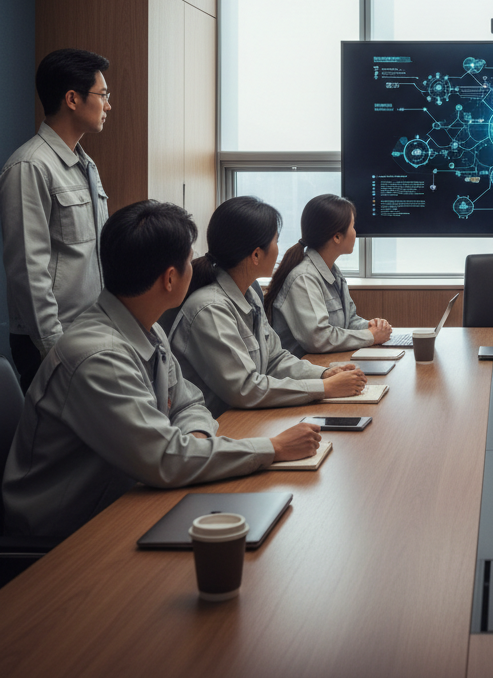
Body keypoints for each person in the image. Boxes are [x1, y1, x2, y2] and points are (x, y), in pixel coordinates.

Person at [2, 201, 323, 540]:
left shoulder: (146, 328)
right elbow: (165, 459)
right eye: (189, 260)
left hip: (127, 498)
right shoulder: (99, 357)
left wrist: (195, 440)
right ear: (170, 278)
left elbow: (188, 404)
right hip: (67, 535)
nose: (197, 266)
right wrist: (272, 448)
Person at [169, 196, 367, 417]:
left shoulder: (250, 294)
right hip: (221, 426)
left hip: (248, 415)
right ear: (256, 255)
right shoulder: (210, 309)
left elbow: (275, 359)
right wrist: (324, 388)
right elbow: (245, 388)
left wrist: (325, 374)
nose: (278, 249)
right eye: (275, 240)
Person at [0, 48, 112, 393]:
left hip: (92, 334)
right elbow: (27, 271)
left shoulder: (86, 165)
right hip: (53, 345)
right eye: (103, 95)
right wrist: (54, 349)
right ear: (72, 99)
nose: (108, 105)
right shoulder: (30, 167)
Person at [266, 194, 393, 355]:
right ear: (337, 237)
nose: (356, 232)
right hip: (303, 369)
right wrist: (370, 336)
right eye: (353, 226)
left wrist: (371, 327)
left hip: (327, 362)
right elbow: (319, 339)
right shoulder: (303, 278)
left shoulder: (334, 271)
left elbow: (349, 321)